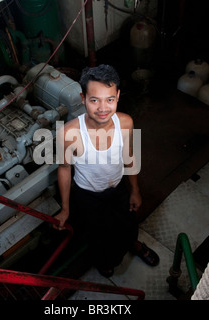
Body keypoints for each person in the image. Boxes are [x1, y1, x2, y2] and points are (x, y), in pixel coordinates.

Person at [54, 64, 159, 277]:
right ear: (83, 98)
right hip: (88, 197)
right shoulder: (68, 134)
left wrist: (135, 190)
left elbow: (128, 155)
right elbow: (64, 169)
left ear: (118, 96)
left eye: (109, 99)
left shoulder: (125, 122)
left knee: (129, 224)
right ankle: (105, 261)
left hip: (119, 189)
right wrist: (65, 208)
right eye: (95, 100)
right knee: (99, 236)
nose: (103, 108)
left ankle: (134, 244)